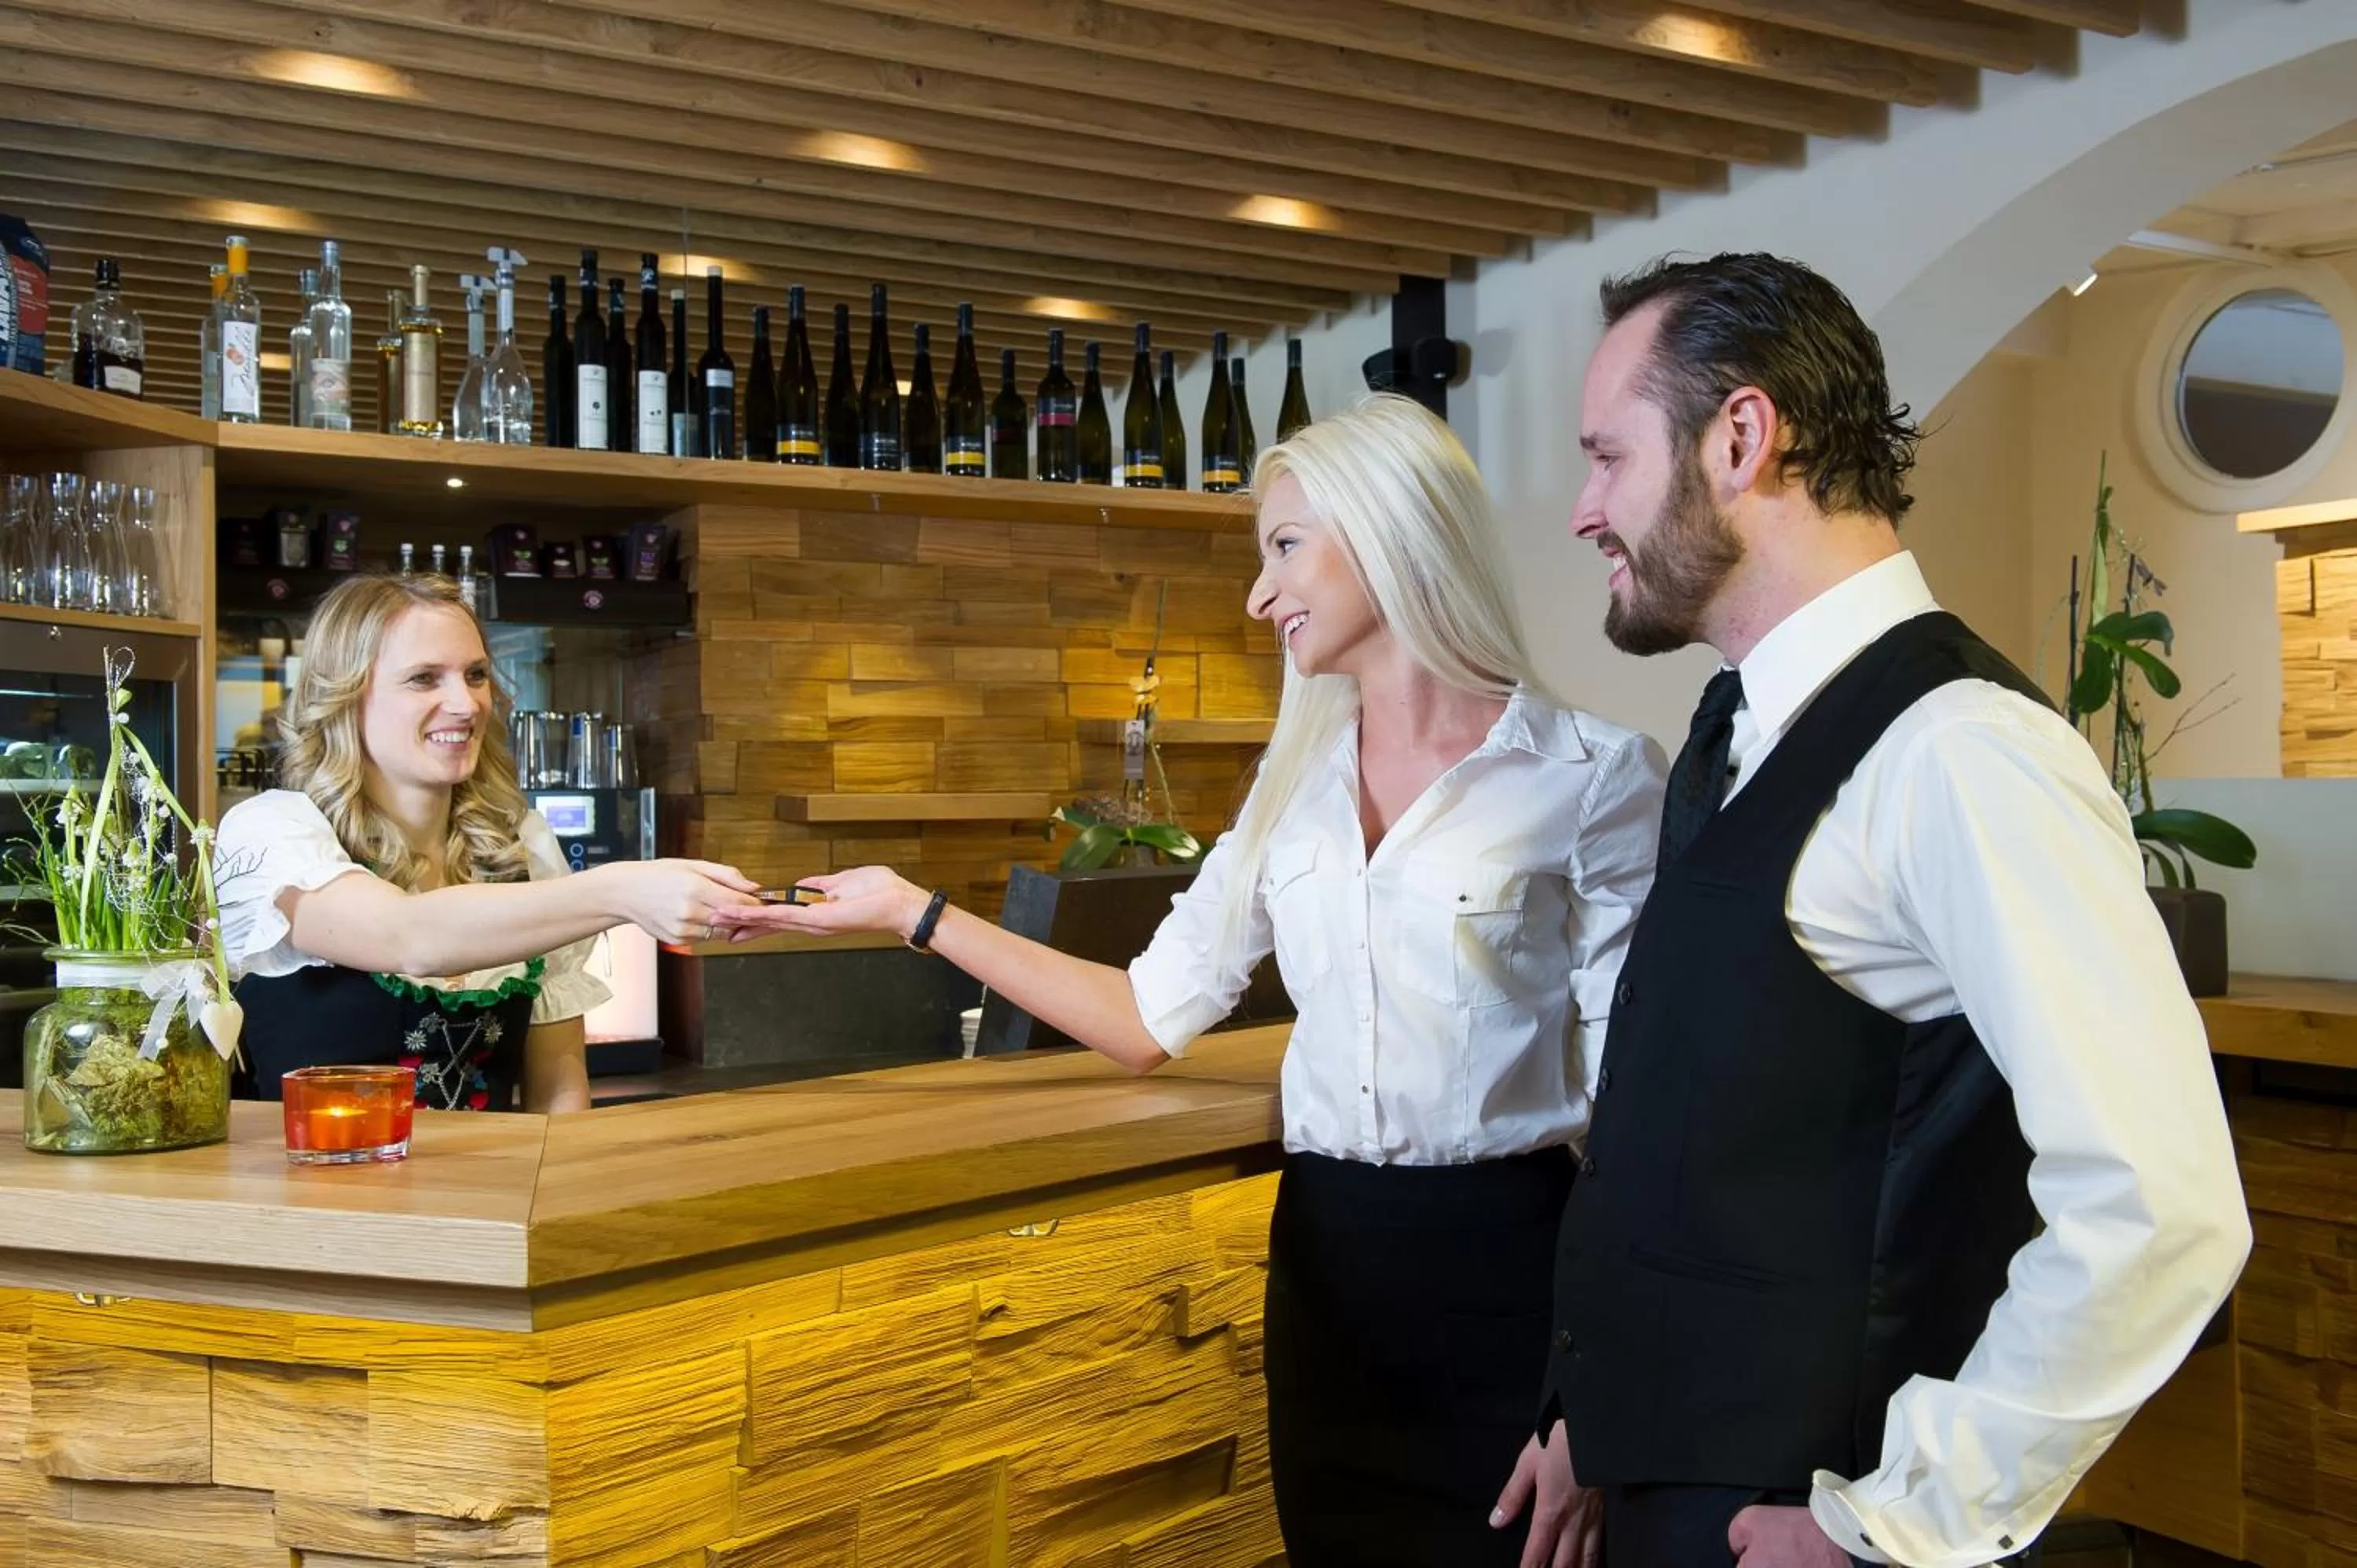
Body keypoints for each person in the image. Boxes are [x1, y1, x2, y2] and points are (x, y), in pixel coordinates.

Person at [720, 394, 1662, 1567]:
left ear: (1389, 531)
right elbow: (1144, 1016)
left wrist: (1597, 1400)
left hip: (1517, 1291)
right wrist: (916, 913)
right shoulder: (1291, 793)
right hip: (1328, 1281)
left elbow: (1650, 1116)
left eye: (1284, 549)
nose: (1262, 596)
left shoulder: (1594, 776)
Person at [1494, 254, 2251, 1568]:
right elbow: (1703, 1127)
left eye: (1607, 456)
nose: (1581, 510)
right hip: (1656, 1493)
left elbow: (2162, 1204)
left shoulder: (1963, 753)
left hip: (1802, 1522)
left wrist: (1899, 1523)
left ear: (1741, 436)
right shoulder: (1733, 725)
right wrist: (1598, 1417)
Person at [217, 573, 759, 1113]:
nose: (467, 703)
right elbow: (407, 938)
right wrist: (620, 893)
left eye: (475, 675)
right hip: (323, 1190)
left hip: (494, 1192)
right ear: (346, 697)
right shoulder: (273, 834)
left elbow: (559, 1084)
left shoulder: (520, 846)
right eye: (425, 678)